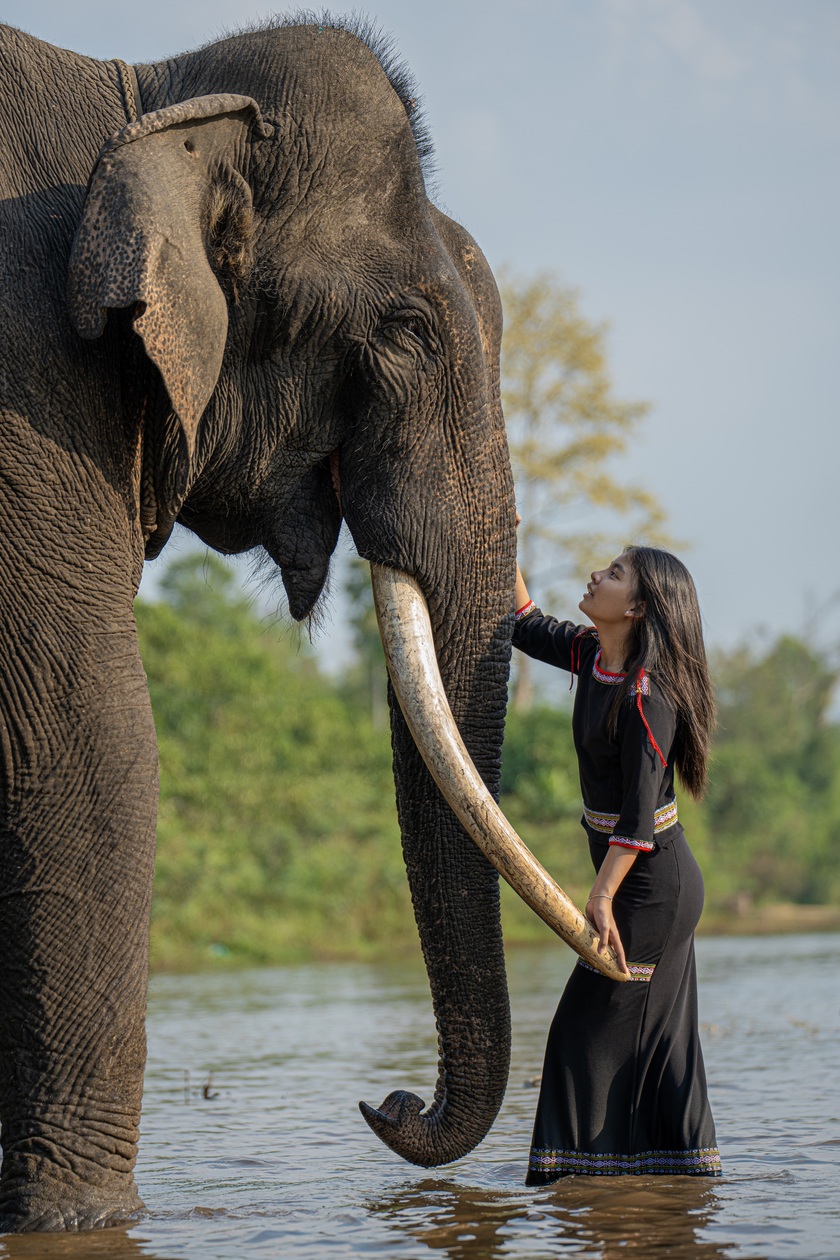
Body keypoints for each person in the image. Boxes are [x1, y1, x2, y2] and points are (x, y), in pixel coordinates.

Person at [513, 536, 721, 1181]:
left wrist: (599, 896)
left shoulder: (647, 694)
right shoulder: (591, 655)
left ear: (637, 607)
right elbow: (523, 622)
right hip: (637, 883)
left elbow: (636, 822)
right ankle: (665, 1182)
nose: (596, 575)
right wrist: (502, 530)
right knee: (657, 1040)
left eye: (614, 573)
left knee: (580, 1033)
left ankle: (572, 1181)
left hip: (652, 892)